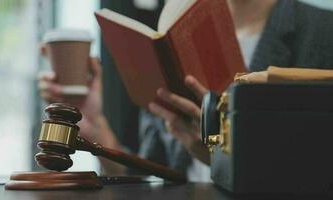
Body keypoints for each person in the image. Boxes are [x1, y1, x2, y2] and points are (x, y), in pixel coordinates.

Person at [39, 0, 333, 181]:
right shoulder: (176, 37)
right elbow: (150, 175)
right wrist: (97, 131)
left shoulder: (322, 34)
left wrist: (215, 155)